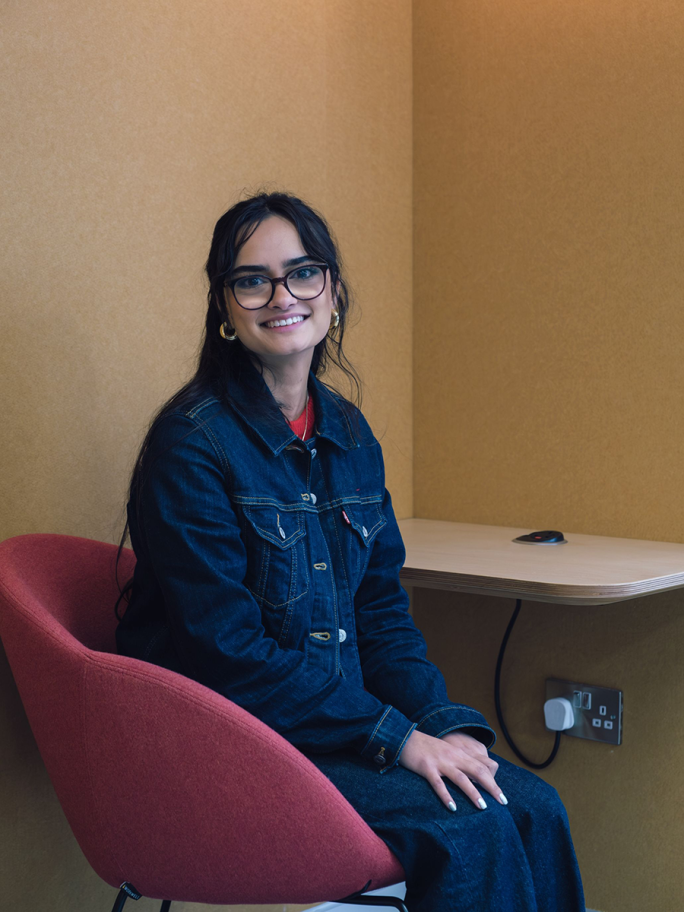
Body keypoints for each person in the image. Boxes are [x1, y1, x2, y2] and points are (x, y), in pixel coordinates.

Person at [116, 191, 585, 911]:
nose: (282, 296)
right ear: (224, 307)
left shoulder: (348, 432)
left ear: (332, 291)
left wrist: (442, 726)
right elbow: (228, 655)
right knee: (473, 826)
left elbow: (382, 620)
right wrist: (397, 741)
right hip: (237, 748)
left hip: (338, 730)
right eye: (252, 279)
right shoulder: (193, 445)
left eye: (302, 273)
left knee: (533, 804)